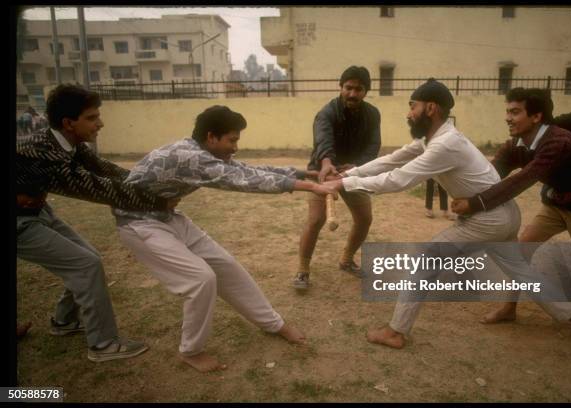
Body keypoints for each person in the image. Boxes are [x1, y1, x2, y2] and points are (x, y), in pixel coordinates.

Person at [323, 79, 571, 349]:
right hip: (503, 216)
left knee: (426, 261)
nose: (408, 113)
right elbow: (392, 159)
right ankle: (570, 312)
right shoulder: (436, 138)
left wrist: (343, 184)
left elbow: (398, 179)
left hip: (487, 220)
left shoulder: (444, 145)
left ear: (430, 108)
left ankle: (396, 331)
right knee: (521, 270)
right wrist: (348, 174)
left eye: (412, 106)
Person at [112, 105, 337, 373]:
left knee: (226, 265)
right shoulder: (190, 157)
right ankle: (190, 351)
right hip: (139, 223)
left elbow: (244, 169)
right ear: (211, 137)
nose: (235, 147)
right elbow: (242, 180)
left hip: (166, 216)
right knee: (201, 280)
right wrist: (310, 186)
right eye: (232, 140)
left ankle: (274, 324)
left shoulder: (201, 152)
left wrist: (302, 174)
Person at [16, 84, 178, 362]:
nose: (100, 123)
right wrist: (160, 202)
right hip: (20, 221)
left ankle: (64, 322)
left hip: (37, 211)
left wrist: (150, 184)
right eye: (92, 117)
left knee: (89, 258)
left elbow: (106, 169)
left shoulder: (65, 141)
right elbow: (100, 189)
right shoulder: (49, 156)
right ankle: (103, 345)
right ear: (69, 123)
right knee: (85, 264)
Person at [451, 94, 571, 327]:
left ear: (536, 117)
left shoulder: (558, 141)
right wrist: (467, 190)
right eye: (508, 111)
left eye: (515, 112)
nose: (507, 118)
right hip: (555, 206)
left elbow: (522, 180)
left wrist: (475, 203)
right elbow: (491, 175)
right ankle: (509, 308)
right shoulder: (516, 145)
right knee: (520, 253)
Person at [295, 66, 381, 289]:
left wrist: (357, 166)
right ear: (340, 87)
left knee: (364, 218)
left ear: (366, 91)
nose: (352, 94)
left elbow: (373, 146)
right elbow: (323, 141)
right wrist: (327, 163)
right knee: (316, 220)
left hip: (352, 173)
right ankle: (302, 270)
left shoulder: (372, 114)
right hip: (322, 171)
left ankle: (346, 260)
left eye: (358, 89)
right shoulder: (326, 113)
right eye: (348, 88)